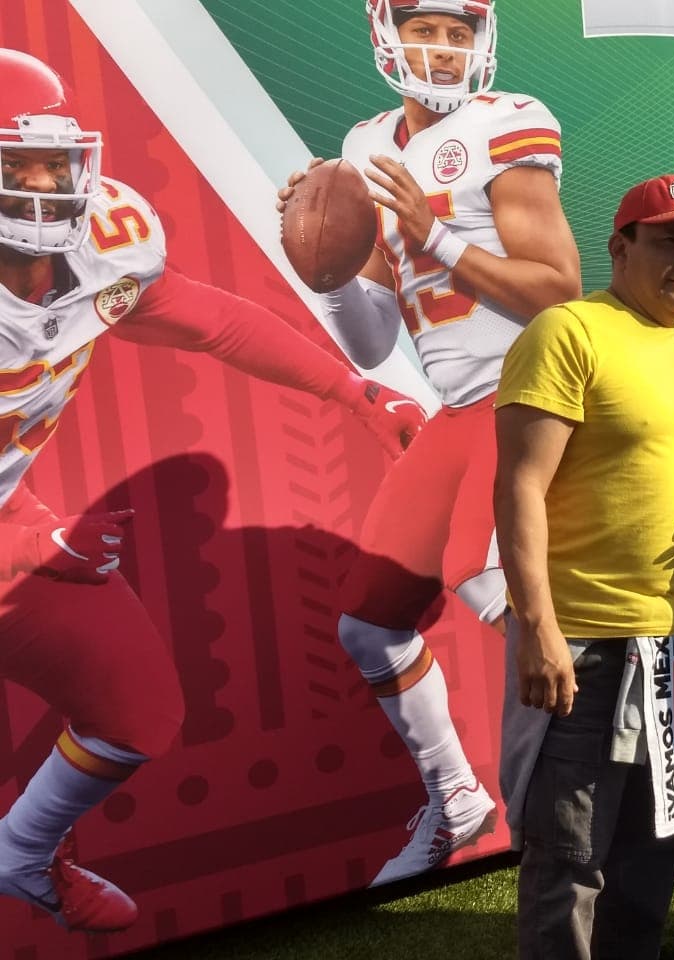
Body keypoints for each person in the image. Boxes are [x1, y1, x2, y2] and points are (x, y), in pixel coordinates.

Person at [0, 48, 426, 932]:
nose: (44, 187)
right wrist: (33, 547)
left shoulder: (103, 246)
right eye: (17, 167)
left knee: (137, 709)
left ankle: (19, 853)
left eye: (53, 162)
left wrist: (353, 395)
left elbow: (214, 323)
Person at [276, 0, 581, 884]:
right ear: (386, 32)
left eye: (459, 32)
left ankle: (608, 768)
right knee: (369, 625)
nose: (444, 49)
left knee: (488, 575)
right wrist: (324, 269)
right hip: (458, 406)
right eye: (426, 29)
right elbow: (373, 342)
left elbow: (559, 290)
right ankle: (457, 797)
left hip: (528, 389)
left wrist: (434, 235)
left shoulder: (506, 122)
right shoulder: (365, 144)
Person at [493, 174, 674, 960]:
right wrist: (539, 629)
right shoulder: (568, 332)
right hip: (588, 651)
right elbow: (519, 486)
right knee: (569, 866)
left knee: (651, 863)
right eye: (671, 241)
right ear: (620, 247)